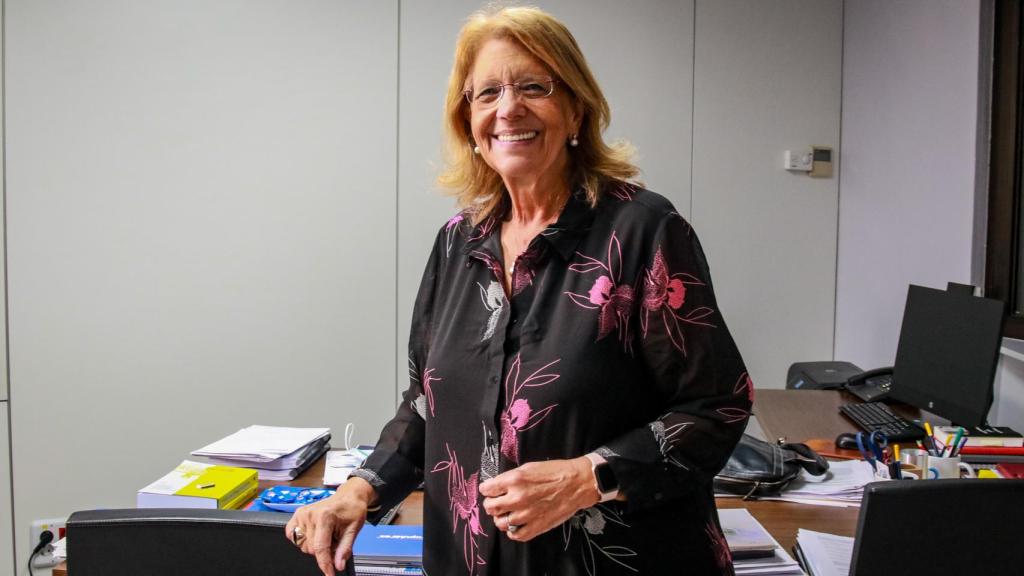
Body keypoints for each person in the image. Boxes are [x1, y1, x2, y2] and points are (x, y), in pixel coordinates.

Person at [287, 6, 752, 575]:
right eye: (486, 94)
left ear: (576, 108)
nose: (509, 108)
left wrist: (590, 477)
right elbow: (425, 403)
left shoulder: (642, 231)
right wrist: (361, 489)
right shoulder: (459, 243)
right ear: (469, 123)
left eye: (535, 86)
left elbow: (717, 406)